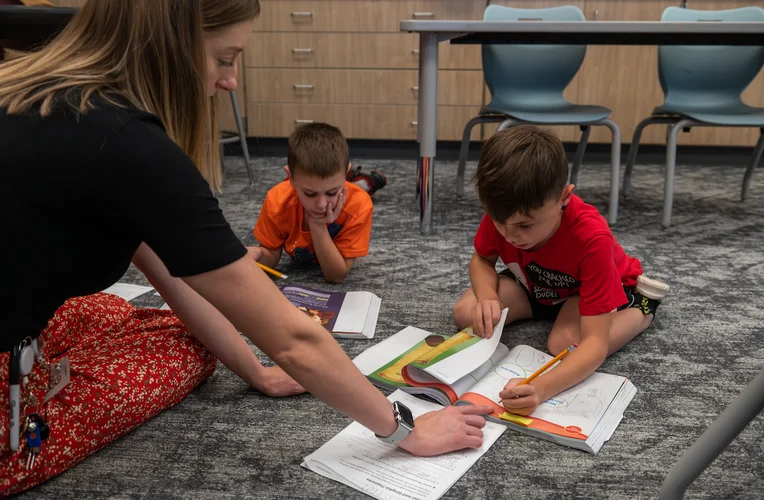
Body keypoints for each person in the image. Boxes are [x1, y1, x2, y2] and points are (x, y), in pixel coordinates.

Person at [0, 0, 491, 495]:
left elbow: (169, 271)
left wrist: (256, 371)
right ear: (174, 45)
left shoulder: (27, 87)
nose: (230, 81)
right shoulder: (132, 148)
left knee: (126, 315)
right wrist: (404, 427)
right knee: (185, 351)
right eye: (226, 58)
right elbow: (294, 341)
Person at [452, 125, 669, 417]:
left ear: (564, 198)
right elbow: (482, 260)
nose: (510, 235)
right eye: (499, 222)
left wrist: (542, 388)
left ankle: (641, 308)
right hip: (534, 283)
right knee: (468, 313)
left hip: (585, 292)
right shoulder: (507, 210)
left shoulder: (591, 238)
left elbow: (595, 344)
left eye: (525, 226)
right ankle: (542, 305)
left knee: (564, 344)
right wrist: (488, 294)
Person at [249, 123, 372, 283]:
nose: (321, 204)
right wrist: (257, 254)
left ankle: (368, 182)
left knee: (358, 192)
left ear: (345, 175)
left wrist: (318, 225)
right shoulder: (277, 201)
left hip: (352, 195)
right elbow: (271, 255)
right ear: (290, 178)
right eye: (310, 194)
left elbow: (336, 275)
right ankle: (365, 182)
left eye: (331, 192)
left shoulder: (359, 207)